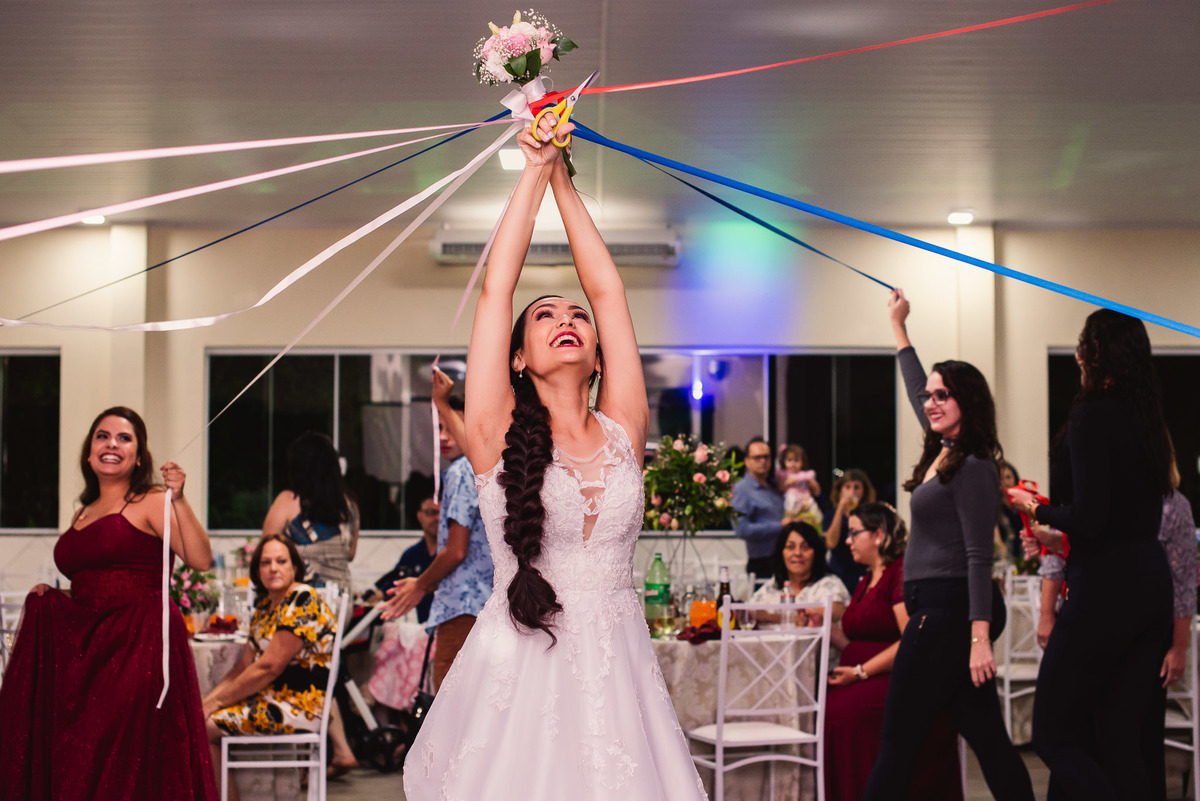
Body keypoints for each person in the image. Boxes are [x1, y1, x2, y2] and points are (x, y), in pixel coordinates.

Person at [400, 111, 706, 800]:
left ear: (597, 352)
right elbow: (494, 292)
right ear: (516, 357)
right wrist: (533, 171)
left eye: (575, 318)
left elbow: (609, 291)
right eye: (545, 316)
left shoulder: (624, 425)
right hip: (522, 670)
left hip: (621, 672)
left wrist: (564, 175)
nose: (568, 319)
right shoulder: (493, 432)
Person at [862, 289, 1033, 801]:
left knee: (896, 741)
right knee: (989, 739)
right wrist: (898, 326)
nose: (930, 402)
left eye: (943, 395)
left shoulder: (976, 467)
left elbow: (981, 556)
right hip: (943, 612)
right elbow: (915, 382)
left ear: (968, 403)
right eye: (929, 396)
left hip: (949, 614)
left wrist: (981, 639)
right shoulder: (945, 451)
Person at [0, 406, 218, 800]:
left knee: (119, 749)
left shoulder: (152, 500)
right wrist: (57, 597)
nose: (112, 444)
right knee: (80, 750)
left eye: (124, 438)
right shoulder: (82, 512)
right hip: (87, 652)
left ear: (138, 455)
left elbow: (201, 560)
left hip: (140, 643)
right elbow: (97, 585)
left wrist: (179, 499)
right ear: (89, 452)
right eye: (103, 436)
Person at [1010, 308, 1174, 801]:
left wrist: (1037, 508)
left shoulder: (1090, 414)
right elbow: (1124, 520)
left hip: (1105, 591)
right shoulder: (1148, 420)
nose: (1078, 354)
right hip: (1149, 587)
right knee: (1119, 740)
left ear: (1095, 353)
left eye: (1083, 344)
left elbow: (1094, 518)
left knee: (1054, 736)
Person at [824, 503, 961, 801]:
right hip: (863, 675)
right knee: (827, 710)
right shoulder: (863, 579)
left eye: (854, 533)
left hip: (897, 676)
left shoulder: (898, 573)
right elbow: (855, 643)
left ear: (878, 535)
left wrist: (860, 672)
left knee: (848, 715)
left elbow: (911, 639)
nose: (847, 541)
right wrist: (826, 629)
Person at [204, 535, 339, 798]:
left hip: (301, 707)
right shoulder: (265, 606)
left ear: (295, 567)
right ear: (257, 571)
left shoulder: (302, 598)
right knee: (199, 718)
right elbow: (241, 668)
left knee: (206, 726)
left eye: (281, 561)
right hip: (270, 699)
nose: (273, 568)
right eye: (265, 562)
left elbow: (269, 668)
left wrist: (216, 705)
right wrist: (207, 702)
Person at [382, 378, 494, 691]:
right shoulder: (489, 467)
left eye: (451, 427)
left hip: (463, 606)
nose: (444, 437)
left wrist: (420, 584)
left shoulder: (461, 470)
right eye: (438, 429)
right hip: (489, 604)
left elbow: (456, 550)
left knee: (452, 706)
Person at [262, 431, 359, 592]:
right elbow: (349, 554)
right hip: (339, 601)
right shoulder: (350, 506)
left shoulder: (288, 501)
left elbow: (266, 551)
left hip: (299, 600)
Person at [749, 521, 849, 624]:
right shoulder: (773, 586)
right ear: (781, 552)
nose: (797, 553)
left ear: (816, 553)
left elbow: (834, 611)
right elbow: (749, 613)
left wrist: (771, 617)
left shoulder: (829, 583)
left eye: (805, 547)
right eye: (790, 547)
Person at [366, 496, 440, 624]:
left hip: (452, 624)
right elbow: (395, 581)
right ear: (419, 516)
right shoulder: (412, 554)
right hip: (423, 629)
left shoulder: (452, 553)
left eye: (442, 513)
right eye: (430, 512)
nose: (437, 518)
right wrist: (377, 594)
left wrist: (420, 585)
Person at [734, 436, 789, 579]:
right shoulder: (741, 490)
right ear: (747, 461)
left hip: (784, 556)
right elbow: (742, 529)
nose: (763, 461)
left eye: (766, 457)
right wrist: (779, 526)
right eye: (757, 457)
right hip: (762, 561)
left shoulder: (775, 485)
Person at [824, 468, 877, 592]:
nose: (851, 491)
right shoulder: (831, 515)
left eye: (856, 487)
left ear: (864, 491)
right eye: (847, 487)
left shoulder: (871, 515)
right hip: (839, 572)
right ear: (840, 490)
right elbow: (831, 543)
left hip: (863, 571)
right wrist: (840, 510)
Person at [777, 443, 821, 526]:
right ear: (784, 461)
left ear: (803, 462)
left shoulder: (806, 474)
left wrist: (812, 483)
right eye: (789, 460)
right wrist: (788, 482)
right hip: (791, 501)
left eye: (796, 460)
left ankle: (816, 523)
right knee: (791, 499)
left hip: (805, 499)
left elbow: (817, 492)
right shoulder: (784, 474)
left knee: (812, 505)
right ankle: (791, 518)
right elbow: (780, 488)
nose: (793, 463)